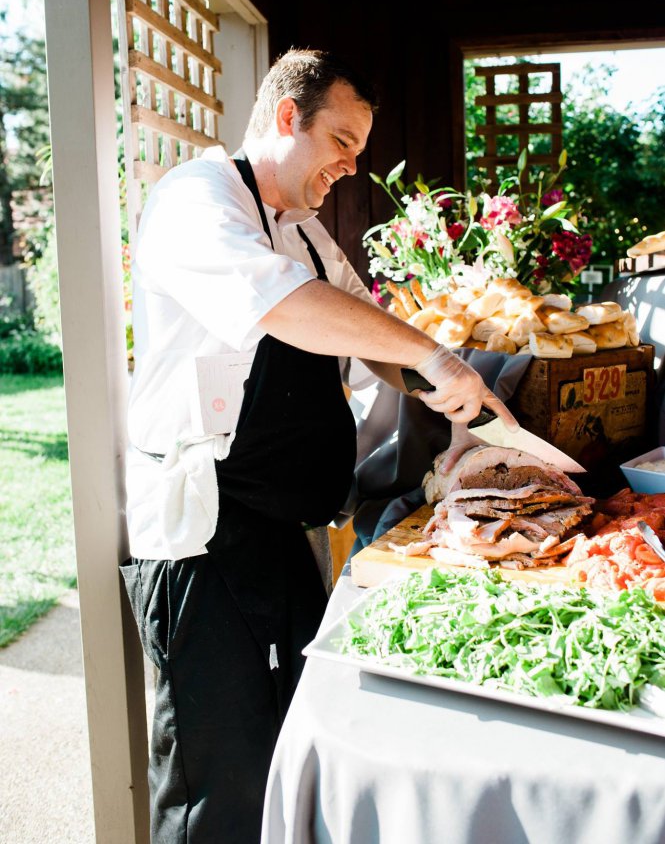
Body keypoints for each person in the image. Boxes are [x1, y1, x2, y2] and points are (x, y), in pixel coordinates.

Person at [120, 48, 517, 844]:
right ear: (284, 116)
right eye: (340, 141)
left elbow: (356, 319)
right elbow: (284, 306)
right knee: (214, 784)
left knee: (280, 749)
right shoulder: (196, 198)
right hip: (201, 541)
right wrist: (429, 355)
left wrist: (432, 383)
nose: (349, 165)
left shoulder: (301, 230)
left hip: (274, 533)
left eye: (359, 151)